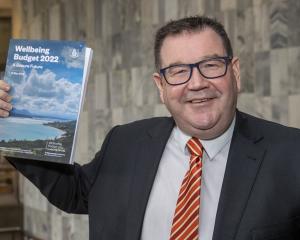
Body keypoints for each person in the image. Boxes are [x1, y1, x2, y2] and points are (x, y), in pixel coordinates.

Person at [1, 15, 300, 240]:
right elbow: (77, 193)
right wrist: (9, 121)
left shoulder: (291, 154)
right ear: (161, 86)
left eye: (210, 65)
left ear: (234, 72)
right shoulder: (125, 142)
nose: (196, 83)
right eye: (178, 71)